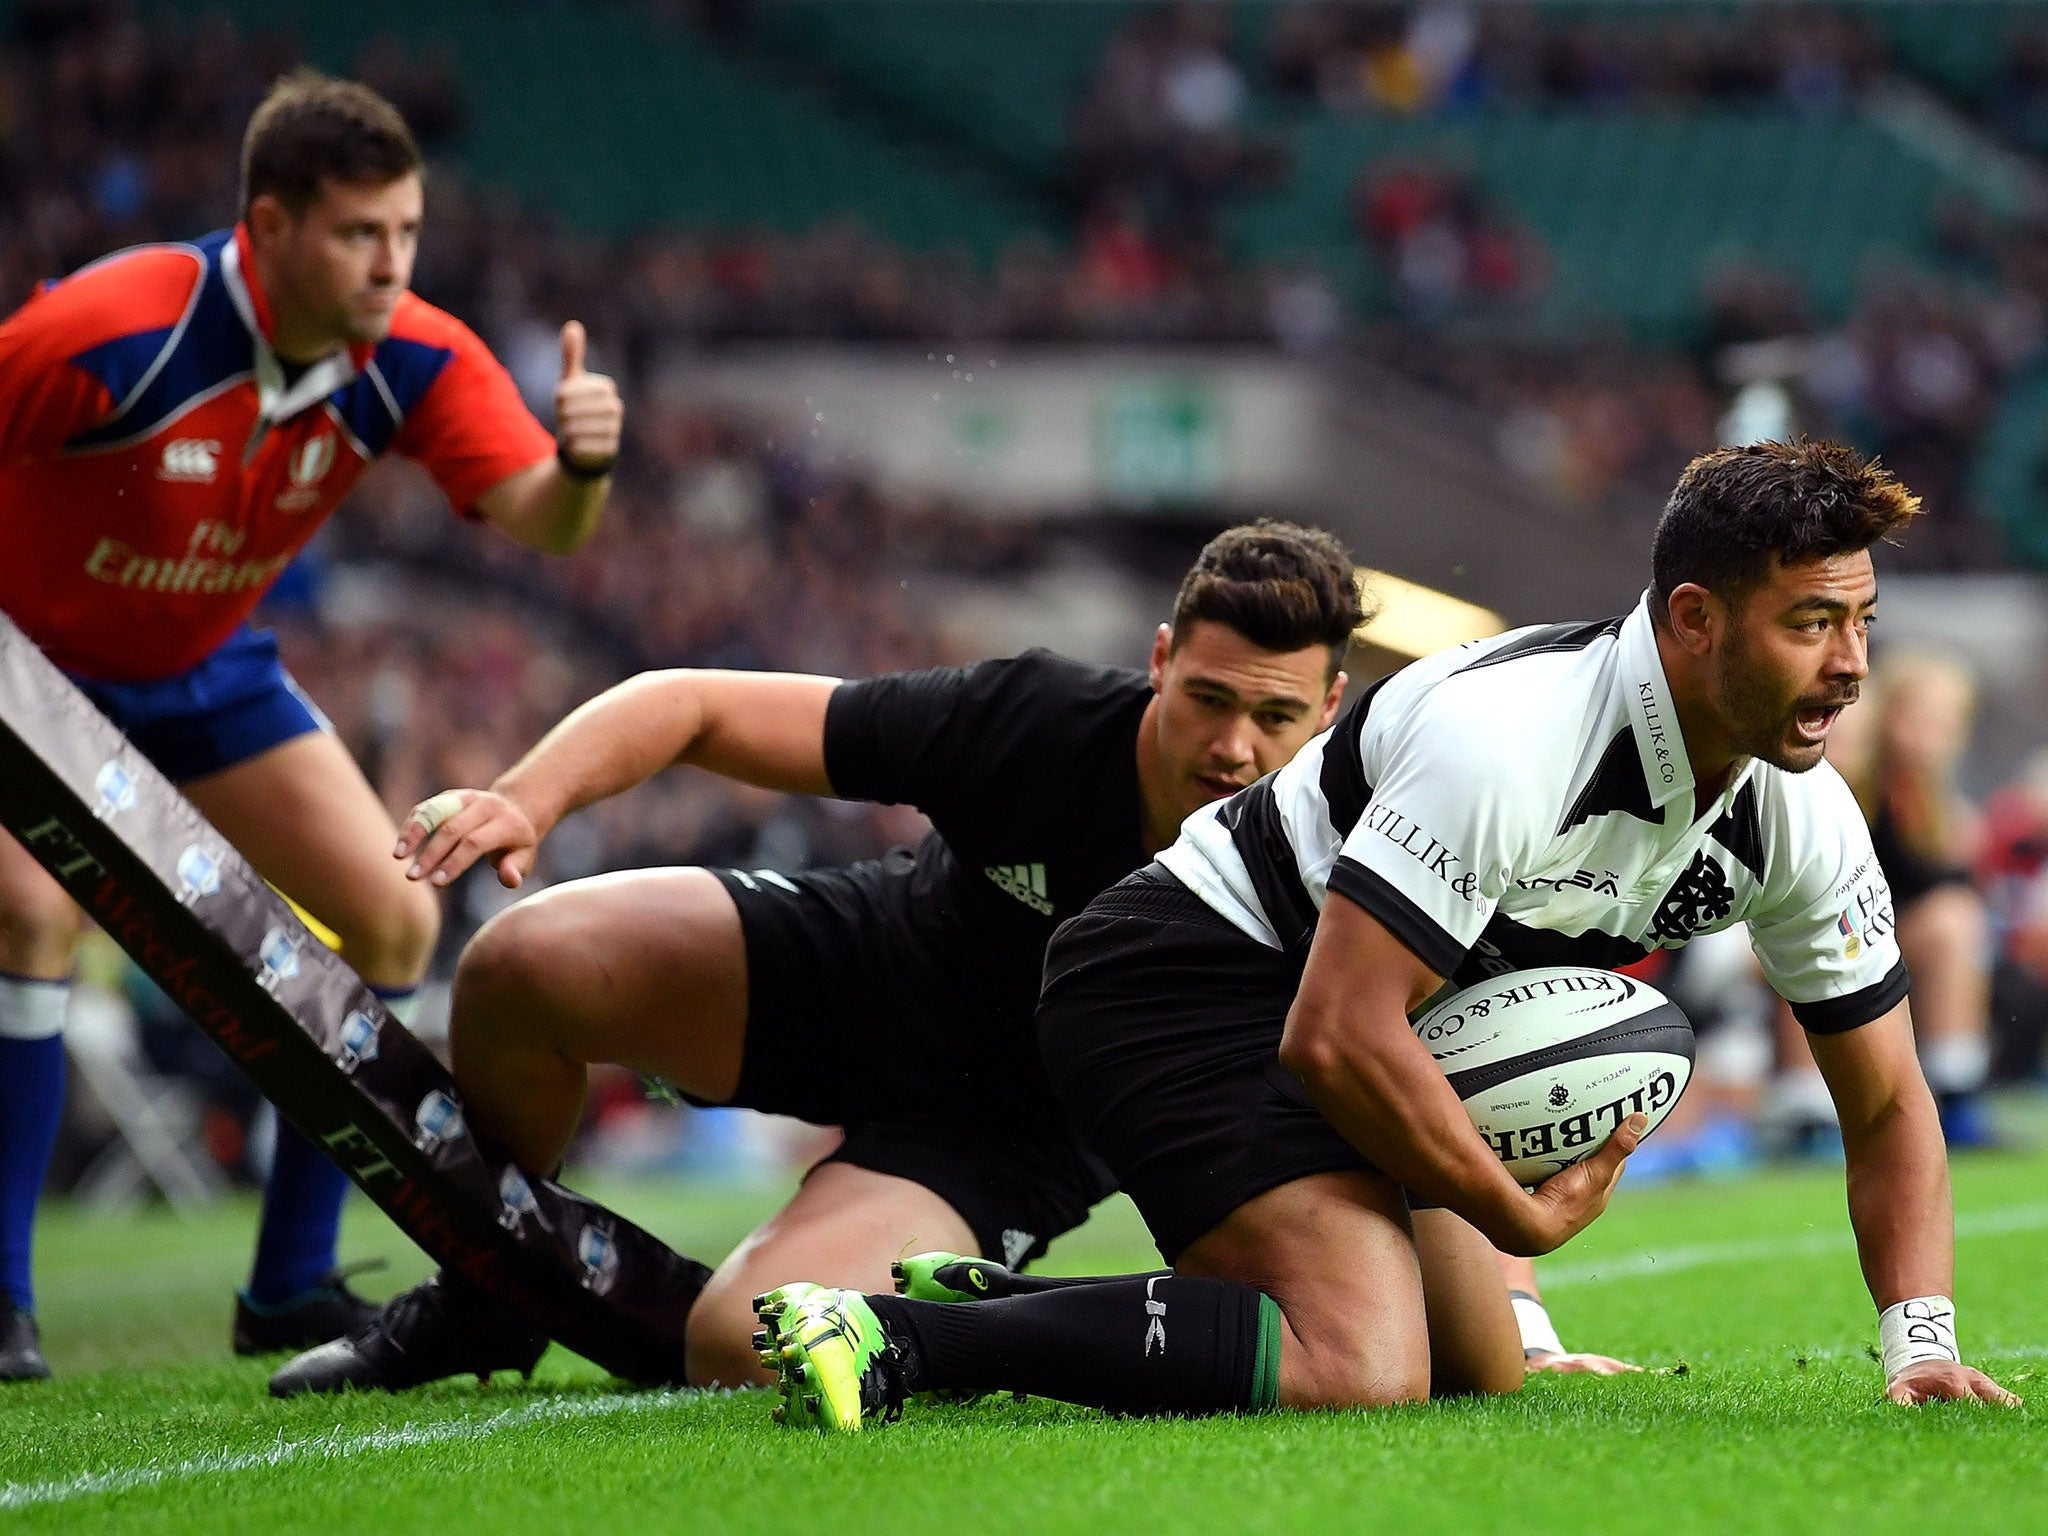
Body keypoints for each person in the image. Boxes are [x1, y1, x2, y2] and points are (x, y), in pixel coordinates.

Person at [754, 439, 2021, 1429]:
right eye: (1811, 623)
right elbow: (1340, 1031)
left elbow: (1888, 1102)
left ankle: (1011, 1309)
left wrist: (1922, 1347)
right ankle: (895, 1338)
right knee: (1357, 1366)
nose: (1850, 665)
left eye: (1861, 624)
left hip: (1355, 1018)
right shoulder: (1512, 741)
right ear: (1692, 620)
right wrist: (1508, 1219)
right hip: (1180, 976)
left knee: (1481, 1372)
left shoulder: (1799, 815)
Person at [273, 517, 1578, 1397]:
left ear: (1333, 710)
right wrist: (527, 798)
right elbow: (697, 702)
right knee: (525, 961)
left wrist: (1522, 1330)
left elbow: (1442, 1066)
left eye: (1278, 716)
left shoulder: (1363, 840)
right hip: (875, 966)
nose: (1235, 746)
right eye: (1211, 700)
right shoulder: (1033, 719)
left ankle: (979, 1302)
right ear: (1161, 661)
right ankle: (487, 1291)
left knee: (741, 1345)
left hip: (1004, 1132)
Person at [0, 71, 623, 1383]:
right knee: (32, 917)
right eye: (359, 233)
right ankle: (4, 1301)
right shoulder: (103, 329)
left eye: (406, 230)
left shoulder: (416, 355)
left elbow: (542, 520)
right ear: (266, 227)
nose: (392, 262)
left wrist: (580, 469)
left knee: (398, 916)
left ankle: (286, 1290)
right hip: (29, 674)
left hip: (207, 668)